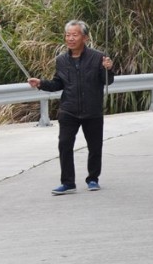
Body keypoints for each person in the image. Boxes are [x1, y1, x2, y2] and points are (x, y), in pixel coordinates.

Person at [27, 21, 115, 195]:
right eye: (68, 35)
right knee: (64, 145)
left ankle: (92, 179)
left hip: (92, 110)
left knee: (95, 147)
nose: (70, 38)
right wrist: (41, 83)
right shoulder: (61, 60)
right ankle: (68, 183)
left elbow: (107, 81)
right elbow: (58, 83)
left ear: (85, 37)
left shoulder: (98, 57)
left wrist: (109, 69)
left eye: (75, 35)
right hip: (68, 110)